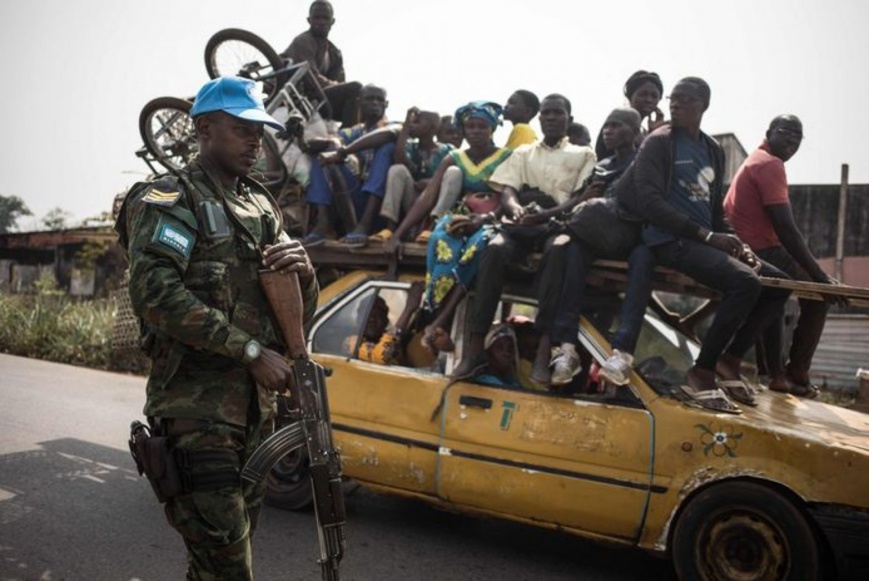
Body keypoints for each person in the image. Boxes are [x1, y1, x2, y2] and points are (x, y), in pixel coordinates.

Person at [115, 76, 319, 579]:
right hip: (197, 415)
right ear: (204, 129)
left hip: (256, 418)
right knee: (228, 567)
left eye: (260, 131)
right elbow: (157, 294)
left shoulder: (260, 207)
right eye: (241, 128)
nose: (255, 141)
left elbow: (295, 310)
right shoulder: (169, 198)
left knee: (218, 564)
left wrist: (307, 274)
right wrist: (251, 351)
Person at [627, 76, 791, 414]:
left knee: (778, 283)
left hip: (701, 239)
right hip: (668, 239)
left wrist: (738, 244)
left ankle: (729, 362)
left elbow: (715, 211)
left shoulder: (712, 150)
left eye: (685, 99)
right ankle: (701, 372)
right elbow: (649, 203)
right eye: (673, 98)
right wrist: (706, 237)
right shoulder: (659, 142)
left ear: (704, 105)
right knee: (744, 282)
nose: (675, 104)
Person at [452, 93, 596, 379]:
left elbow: (582, 197)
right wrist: (516, 208)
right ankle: (475, 349)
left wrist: (544, 215)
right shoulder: (523, 152)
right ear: (539, 118)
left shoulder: (583, 154)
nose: (551, 118)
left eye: (558, 112)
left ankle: (544, 349)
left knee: (558, 251)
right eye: (546, 113)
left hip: (557, 224)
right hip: (521, 223)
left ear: (570, 118)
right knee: (493, 248)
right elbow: (507, 189)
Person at [534, 108, 655, 387]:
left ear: (636, 133)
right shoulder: (601, 165)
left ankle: (622, 353)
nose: (608, 131)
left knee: (643, 259)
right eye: (606, 126)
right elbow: (580, 202)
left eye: (617, 126)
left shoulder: (645, 163)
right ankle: (566, 348)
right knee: (572, 252)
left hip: (632, 237)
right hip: (595, 236)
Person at [384, 101, 512, 352]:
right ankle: (433, 318)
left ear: (492, 129)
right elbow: (428, 197)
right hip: (460, 217)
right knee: (442, 243)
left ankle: (441, 320)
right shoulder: (455, 157)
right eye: (470, 126)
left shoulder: (506, 156)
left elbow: (510, 194)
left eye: (481, 126)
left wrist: (486, 218)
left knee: (478, 249)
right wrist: (397, 235)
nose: (475, 131)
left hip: (491, 219)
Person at [724, 114, 837, 397]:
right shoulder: (769, 164)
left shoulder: (756, 160)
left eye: (798, 137)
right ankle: (796, 372)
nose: (792, 141)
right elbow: (787, 229)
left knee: (777, 293)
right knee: (820, 293)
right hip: (758, 249)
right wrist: (820, 276)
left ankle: (775, 374)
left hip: (747, 247)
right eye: (787, 132)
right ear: (769, 132)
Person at [303, 84, 400, 248]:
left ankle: (365, 225)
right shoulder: (352, 132)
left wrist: (344, 151)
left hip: (381, 206)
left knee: (386, 149)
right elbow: (320, 143)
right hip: (354, 198)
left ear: (386, 105)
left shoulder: (396, 126)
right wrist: (331, 143)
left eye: (380, 100)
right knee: (321, 155)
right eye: (370, 99)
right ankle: (323, 223)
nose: (375, 103)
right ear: (359, 102)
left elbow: (386, 134)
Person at [370, 108, 453, 242]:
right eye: (411, 123)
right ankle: (390, 227)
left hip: (434, 200)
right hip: (413, 200)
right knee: (397, 169)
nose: (412, 125)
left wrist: (433, 181)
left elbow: (453, 179)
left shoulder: (447, 149)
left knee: (452, 174)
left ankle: (432, 227)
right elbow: (400, 159)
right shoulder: (411, 147)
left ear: (432, 128)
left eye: (417, 122)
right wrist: (406, 126)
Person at [281, 0, 362, 127]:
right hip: (301, 97)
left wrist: (336, 86)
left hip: (320, 99)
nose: (321, 22)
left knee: (365, 103)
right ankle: (347, 138)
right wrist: (335, 85)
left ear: (332, 21)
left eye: (325, 18)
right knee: (356, 88)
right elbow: (309, 77)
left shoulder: (335, 53)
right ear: (309, 20)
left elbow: (340, 83)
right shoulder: (304, 41)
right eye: (317, 18)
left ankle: (351, 138)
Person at [343, 282, 426, 366]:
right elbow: (381, 356)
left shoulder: (397, 338)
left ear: (385, 319)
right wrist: (408, 310)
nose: (371, 319)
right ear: (358, 319)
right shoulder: (351, 342)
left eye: (378, 314)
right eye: (366, 314)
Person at [594, 70, 666, 160]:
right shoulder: (617, 122)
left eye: (654, 96)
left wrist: (655, 133)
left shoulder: (645, 131)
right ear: (630, 96)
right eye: (643, 94)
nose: (649, 100)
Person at [471, 323, 523, 388]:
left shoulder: (510, 380)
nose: (507, 353)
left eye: (510, 348)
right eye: (499, 348)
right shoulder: (485, 381)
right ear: (488, 352)